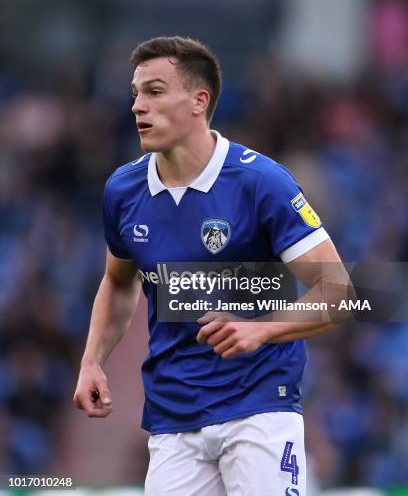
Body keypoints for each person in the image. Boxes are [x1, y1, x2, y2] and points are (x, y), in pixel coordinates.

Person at [73, 36, 348, 496]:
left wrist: (260, 328)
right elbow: (119, 284)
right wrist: (92, 361)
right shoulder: (123, 191)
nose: (138, 106)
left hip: (260, 407)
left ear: (200, 101)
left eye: (155, 92)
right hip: (173, 418)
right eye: (136, 93)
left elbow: (339, 290)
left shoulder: (261, 182)